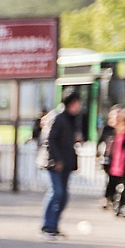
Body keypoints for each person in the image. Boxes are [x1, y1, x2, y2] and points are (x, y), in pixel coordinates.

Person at [37, 89, 83, 239]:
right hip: (54, 163)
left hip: (66, 162)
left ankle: (54, 226)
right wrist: (56, 160)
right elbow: (49, 140)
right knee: (56, 192)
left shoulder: (71, 118)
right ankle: (47, 226)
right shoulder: (57, 117)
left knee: (63, 196)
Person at [108, 107, 125, 217]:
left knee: (122, 185)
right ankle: (123, 206)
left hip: (119, 164)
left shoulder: (120, 131)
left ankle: (118, 205)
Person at [98, 104, 122, 210]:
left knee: (117, 179)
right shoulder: (107, 128)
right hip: (108, 157)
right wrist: (98, 154)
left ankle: (113, 198)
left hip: (119, 158)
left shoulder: (122, 128)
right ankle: (108, 198)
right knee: (110, 179)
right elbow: (100, 141)